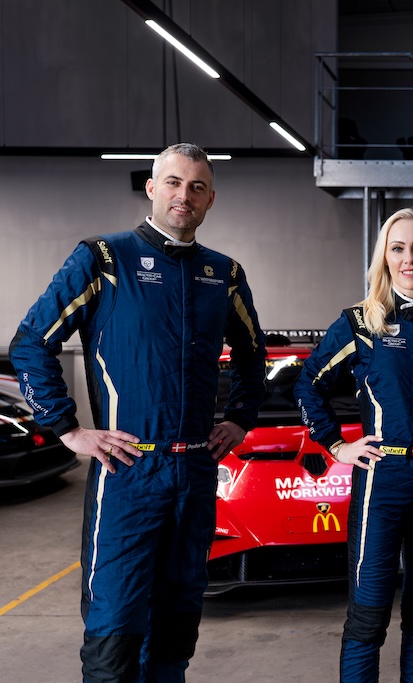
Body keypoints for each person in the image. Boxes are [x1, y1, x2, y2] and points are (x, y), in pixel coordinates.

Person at [8, 143, 267, 682]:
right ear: (151, 188)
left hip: (194, 474)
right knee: (113, 639)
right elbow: (31, 341)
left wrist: (241, 417)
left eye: (197, 187)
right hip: (127, 472)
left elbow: (252, 355)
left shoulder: (223, 273)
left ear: (211, 199)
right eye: (173, 182)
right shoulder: (103, 259)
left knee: (175, 633)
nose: (184, 195)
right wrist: (67, 428)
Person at [293, 207, 413, 683]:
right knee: (368, 617)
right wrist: (336, 445)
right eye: (398, 248)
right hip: (383, 484)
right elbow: (308, 385)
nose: (409, 259)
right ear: (384, 257)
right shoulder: (361, 323)